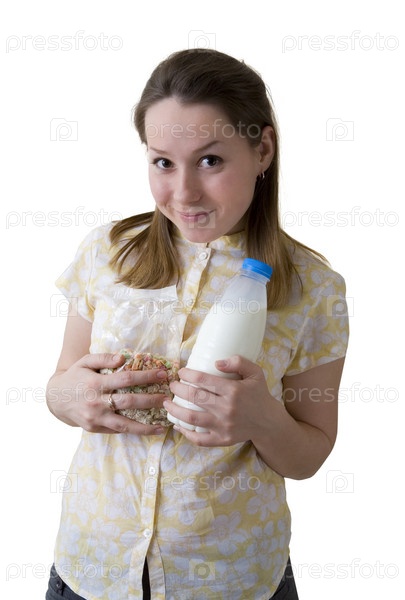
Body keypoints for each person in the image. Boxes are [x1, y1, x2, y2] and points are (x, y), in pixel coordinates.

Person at [45, 48, 349, 600]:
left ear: (262, 150)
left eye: (210, 160)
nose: (183, 192)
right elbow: (59, 385)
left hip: (232, 579)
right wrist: (71, 399)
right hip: (93, 568)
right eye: (163, 162)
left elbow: (312, 450)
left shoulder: (314, 288)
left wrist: (263, 420)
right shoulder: (107, 252)